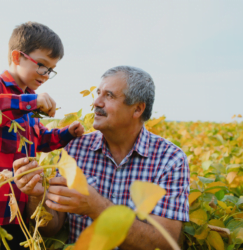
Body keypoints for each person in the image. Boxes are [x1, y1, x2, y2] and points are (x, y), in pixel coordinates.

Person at [13, 66, 190, 250]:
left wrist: (97, 207)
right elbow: (52, 227)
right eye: (98, 93)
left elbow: (165, 243)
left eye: (109, 96)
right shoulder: (76, 148)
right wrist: (36, 196)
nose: (96, 102)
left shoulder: (170, 160)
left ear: (137, 109)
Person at [0, 21, 84, 250]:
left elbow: (40, 140)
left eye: (51, 69)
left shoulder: (28, 101)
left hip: (18, 208)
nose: (46, 75)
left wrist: (67, 133)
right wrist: (29, 102)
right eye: (42, 65)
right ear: (17, 57)